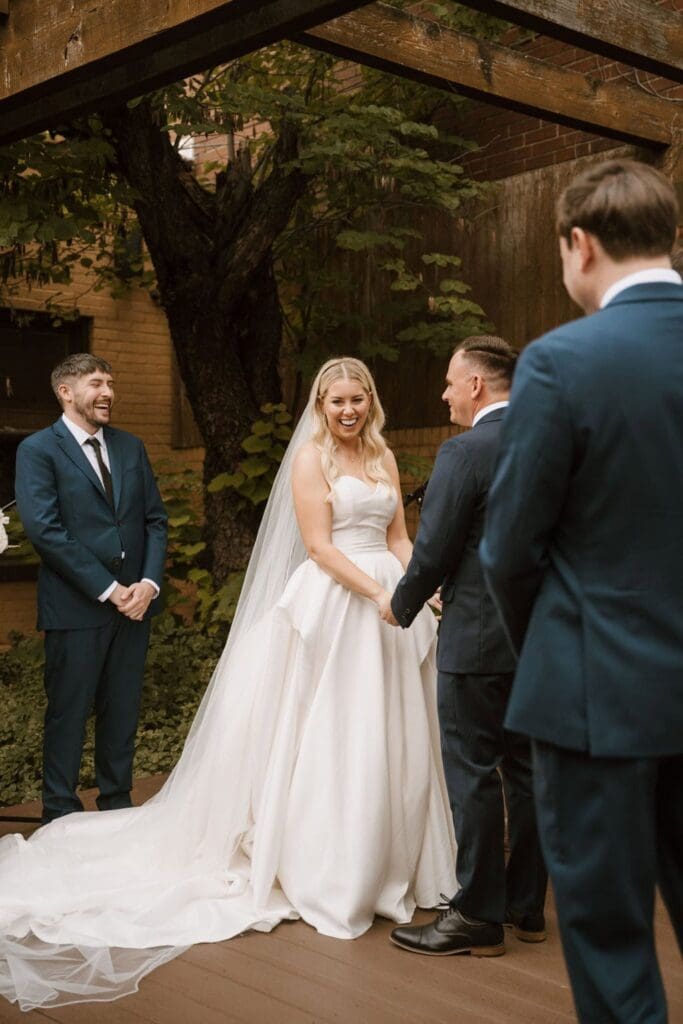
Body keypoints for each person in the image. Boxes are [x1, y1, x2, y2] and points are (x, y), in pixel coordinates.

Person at [0, 356, 456, 1012]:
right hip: (338, 602)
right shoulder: (309, 460)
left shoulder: (384, 458)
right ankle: (326, 865)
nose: (349, 410)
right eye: (337, 401)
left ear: (370, 402)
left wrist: (418, 587)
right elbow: (320, 547)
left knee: (392, 731)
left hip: (389, 602)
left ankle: (395, 861)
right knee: (330, 728)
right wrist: (379, 596)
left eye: (358, 399)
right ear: (322, 407)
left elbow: (399, 537)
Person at [480, 159, 683, 1022]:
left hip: (593, 693)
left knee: (607, 936)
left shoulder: (561, 360)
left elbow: (509, 548)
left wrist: (551, 655)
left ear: (578, 243)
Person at [379, 337, 547, 957]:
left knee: (473, 772)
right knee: (528, 773)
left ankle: (477, 914)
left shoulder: (465, 452)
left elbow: (435, 549)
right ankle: (527, 908)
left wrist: (400, 605)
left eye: (451, 382)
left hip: (476, 637)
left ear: (476, 385)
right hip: (541, 640)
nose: (445, 393)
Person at [14, 354, 168, 824]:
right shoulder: (38, 450)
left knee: (121, 713)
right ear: (66, 391)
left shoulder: (130, 446)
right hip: (75, 608)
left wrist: (147, 583)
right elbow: (45, 530)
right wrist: (109, 588)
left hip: (135, 609)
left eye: (111, 383)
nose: (108, 392)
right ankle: (59, 812)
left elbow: (154, 520)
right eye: (97, 383)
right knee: (68, 714)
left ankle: (116, 806)